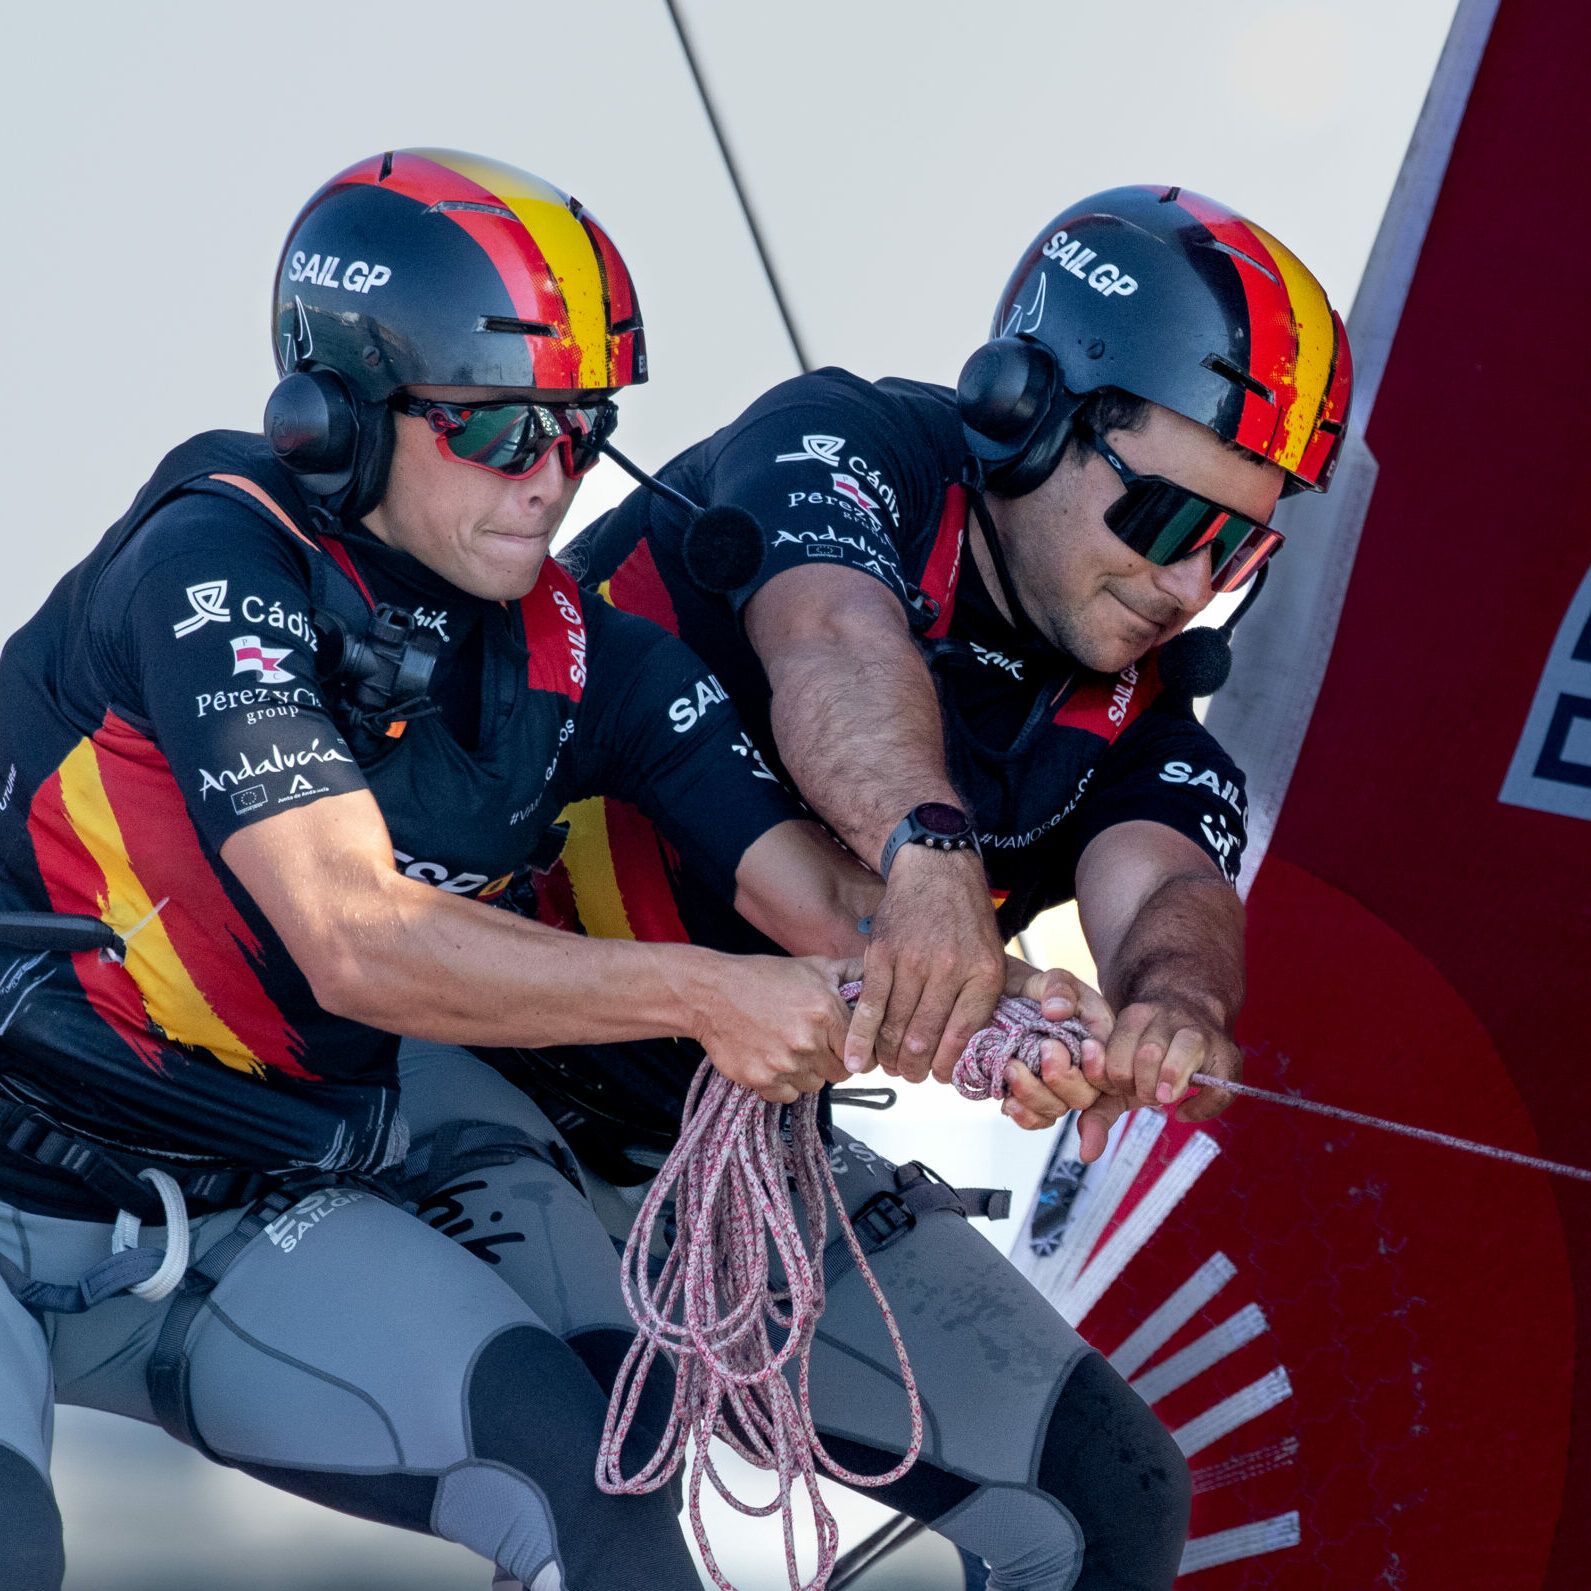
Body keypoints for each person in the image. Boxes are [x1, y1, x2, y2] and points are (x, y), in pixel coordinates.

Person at [0, 148, 1086, 1591]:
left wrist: (999, 1001)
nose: (553, 479)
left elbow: (818, 904)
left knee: (610, 1507)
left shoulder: (585, 657)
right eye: (502, 430)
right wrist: (709, 996)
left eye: (584, 429)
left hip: (240, 1201)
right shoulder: (215, 559)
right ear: (336, 418)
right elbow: (355, 939)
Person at [401, 187, 1351, 1591]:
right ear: (1029, 410)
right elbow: (834, 637)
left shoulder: (1141, 707)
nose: (1189, 583)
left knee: (1113, 1499)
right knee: (607, 1473)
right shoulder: (849, 446)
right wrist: (930, 854)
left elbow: (1163, 889)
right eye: (1163, 515)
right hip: (462, 1052)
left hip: (720, 1150)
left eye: (1243, 552)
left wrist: (1172, 1008)